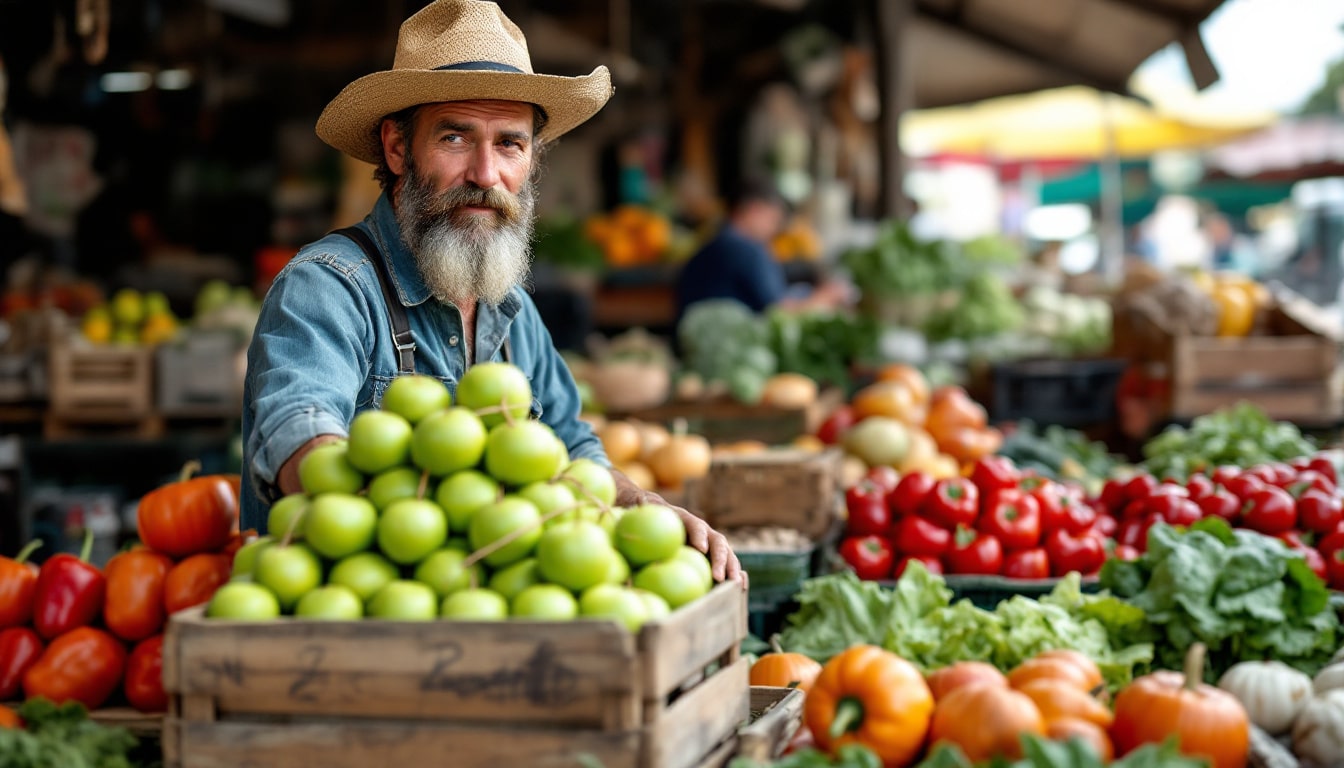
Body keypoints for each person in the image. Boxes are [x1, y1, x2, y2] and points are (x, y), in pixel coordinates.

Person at [240, 0, 743, 585]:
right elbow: (300, 440)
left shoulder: (511, 308)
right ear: (398, 149)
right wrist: (457, 510)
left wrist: (635, 506)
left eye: (510, 143)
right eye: (455, 138)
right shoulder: (329, 286)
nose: (486, 174)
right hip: (342, 630)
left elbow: (570, 443)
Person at [674, 180, 847, 323]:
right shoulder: (747, 250)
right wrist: (825, 297)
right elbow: (780, 313)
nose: (775, 230)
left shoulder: (712, 242)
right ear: (755, 210)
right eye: (773, 220)